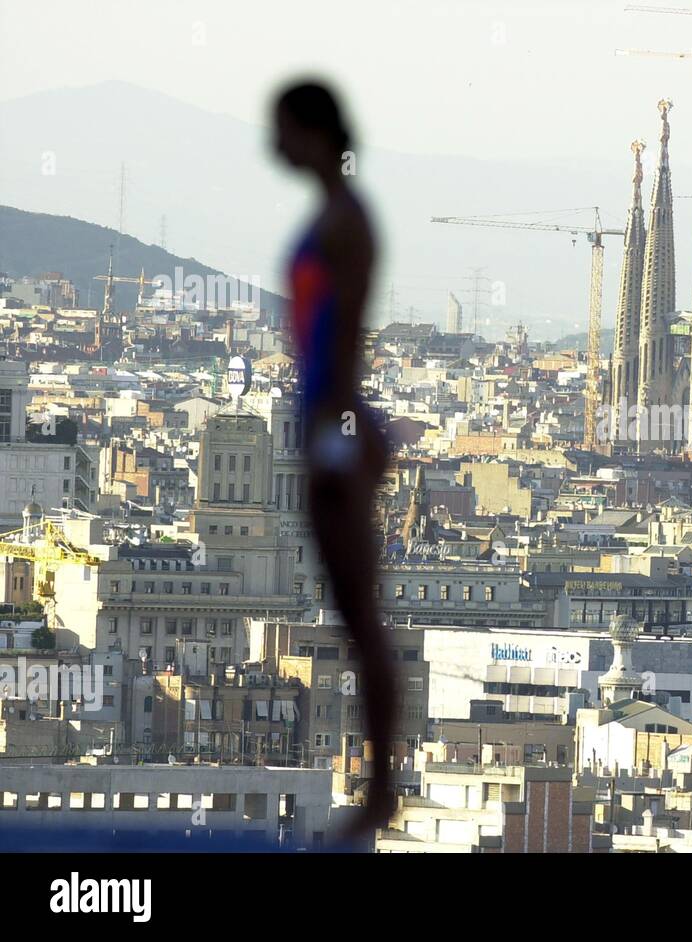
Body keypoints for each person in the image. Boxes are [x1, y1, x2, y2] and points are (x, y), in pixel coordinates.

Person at [273, 80, 395, 835]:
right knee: (354, 614)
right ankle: (381, 788)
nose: (272, 143)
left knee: (361, 617)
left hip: (338, 427)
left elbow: (339, 344)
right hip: (331, 424)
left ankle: (382, 788)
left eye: (282, 129)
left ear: (314, 134)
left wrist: (333, 434)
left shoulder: (347, 220)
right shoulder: (337, 213)